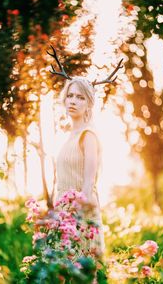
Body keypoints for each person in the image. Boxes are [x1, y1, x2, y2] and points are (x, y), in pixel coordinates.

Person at [56, 76, 105, 258]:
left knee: (82, 273)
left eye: (80, 97)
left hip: (80, 214)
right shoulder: (68, 136)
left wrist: (76, 219)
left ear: (89, 104)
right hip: (63, 213)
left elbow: (88, 183)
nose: (73, 101)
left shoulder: (88, 135)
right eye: (70, 95)